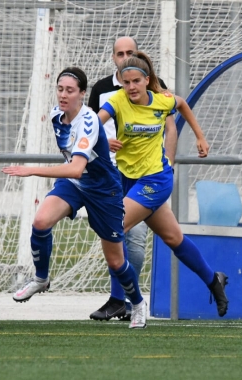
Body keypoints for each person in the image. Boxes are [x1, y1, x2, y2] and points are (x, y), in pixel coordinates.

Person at [5, 67, 147, 329]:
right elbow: (73, 170)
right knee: (41, 222)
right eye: (60, 89)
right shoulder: (56, 115)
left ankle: (137, 303)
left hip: (104, 191)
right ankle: (41, 278)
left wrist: (31, 169)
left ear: (82, 93)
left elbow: (76, 167)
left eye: (70, 90)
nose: (63, 95)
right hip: (74, 184)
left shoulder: (90, 121)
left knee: (116, 261)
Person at [97, 51, 230, 317]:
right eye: (126, 82)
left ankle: (118, 299)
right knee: (173, 237)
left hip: (156, 178)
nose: (131, 87)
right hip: (126, 178)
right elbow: (93, 123)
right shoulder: (117, 101)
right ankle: (213, 280)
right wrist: (101, 138)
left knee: (114, 226)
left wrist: (200, 137)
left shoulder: (162, 100)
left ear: (147, 80)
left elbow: (182, 104)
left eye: (136, 81)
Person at [87, 36, 177, 321]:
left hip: (146, 175)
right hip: (109, 174)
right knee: (115, 234)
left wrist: (169, 163)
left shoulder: (153, 86)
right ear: (113, 57)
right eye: (119, 53)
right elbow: (88, 127)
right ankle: (122, 300)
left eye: (130, 52)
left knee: (134, 237)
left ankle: (126, 300)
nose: (124, 57)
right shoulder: (102, 90)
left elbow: (172, 125)